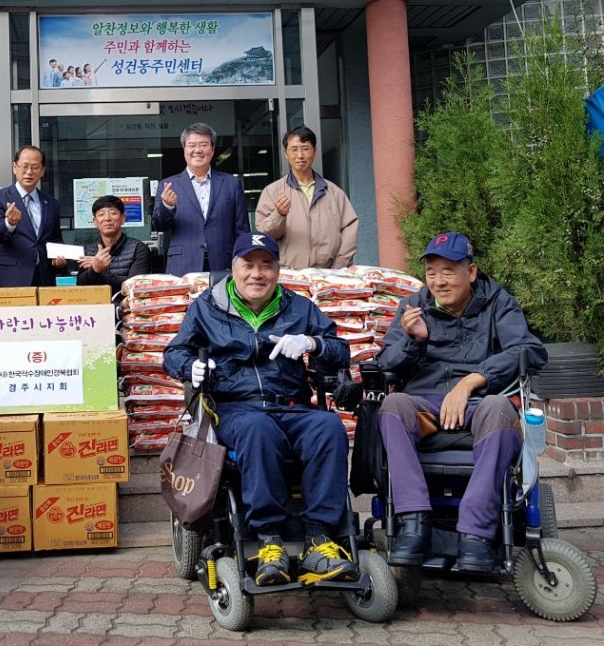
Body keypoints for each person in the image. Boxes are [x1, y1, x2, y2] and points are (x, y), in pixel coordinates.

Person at [162, 232, 357, 587]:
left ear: (278, 270)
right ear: (233, 268)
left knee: (328, 427)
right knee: (258, 430)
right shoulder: (207, 307)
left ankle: (319, 537)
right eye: (248, 265)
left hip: (293, 405)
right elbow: (174, 353)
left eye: (266, 265)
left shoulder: (299, 307)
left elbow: (340, 349)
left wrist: (312, 341)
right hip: (236, 408)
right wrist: (190, 367)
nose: (257, 274)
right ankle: (269, 539)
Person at [376, 232, 547, 571]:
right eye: (431, 272)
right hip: (425, 407)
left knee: (500, 409)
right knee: (393, 407)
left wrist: (471, 381)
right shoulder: (413, 306)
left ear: (470, 272)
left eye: (448, 271)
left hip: (480, 405)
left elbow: (529, 350)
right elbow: (386, 365)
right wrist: (413, 341)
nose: (438, 282)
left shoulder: (498, 302)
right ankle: (413, 522)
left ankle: (475, 533)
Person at [151, 122, 250, 276]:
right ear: (184, 148)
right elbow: (159, 225)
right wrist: (167, 206)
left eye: (204, 144)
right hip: (183, 262)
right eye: (192, 145)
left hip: (223, 262)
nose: (197, 150)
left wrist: (244, 262)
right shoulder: (168, 185)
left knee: (222, 301)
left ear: (212, 149)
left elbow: (242, 230)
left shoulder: (231, 184)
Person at [255, 126, 358, 269]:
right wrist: (279, 214)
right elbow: (264, 234)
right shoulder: (273, 191)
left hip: (329, 274)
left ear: (314, 152)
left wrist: (338, 268)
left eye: (305, 148)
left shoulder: (333, 192)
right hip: (289, 273)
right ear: (285, 153)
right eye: (294, 149)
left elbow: (349, 228)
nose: (300, 155)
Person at [0, 145, 66, 287]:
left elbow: (55, 237)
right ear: (14, 167)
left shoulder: (52, 203)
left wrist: (58, 256)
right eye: (25, 166)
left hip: (44, 276)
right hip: (12, 276)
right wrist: (10, 223)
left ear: (42, 171)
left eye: (35, 167)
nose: (29, 172)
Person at [76, 195, 151, 297]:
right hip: (95, 307)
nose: (107, 218)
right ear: (95, 222)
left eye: (113, 213)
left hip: (127, 308)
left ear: (123, 218)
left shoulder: (139, 249)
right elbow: (80, 286)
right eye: (101, 214)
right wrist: (94, 269)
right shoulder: (88, 250)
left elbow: (135, 286)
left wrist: (101, 270)